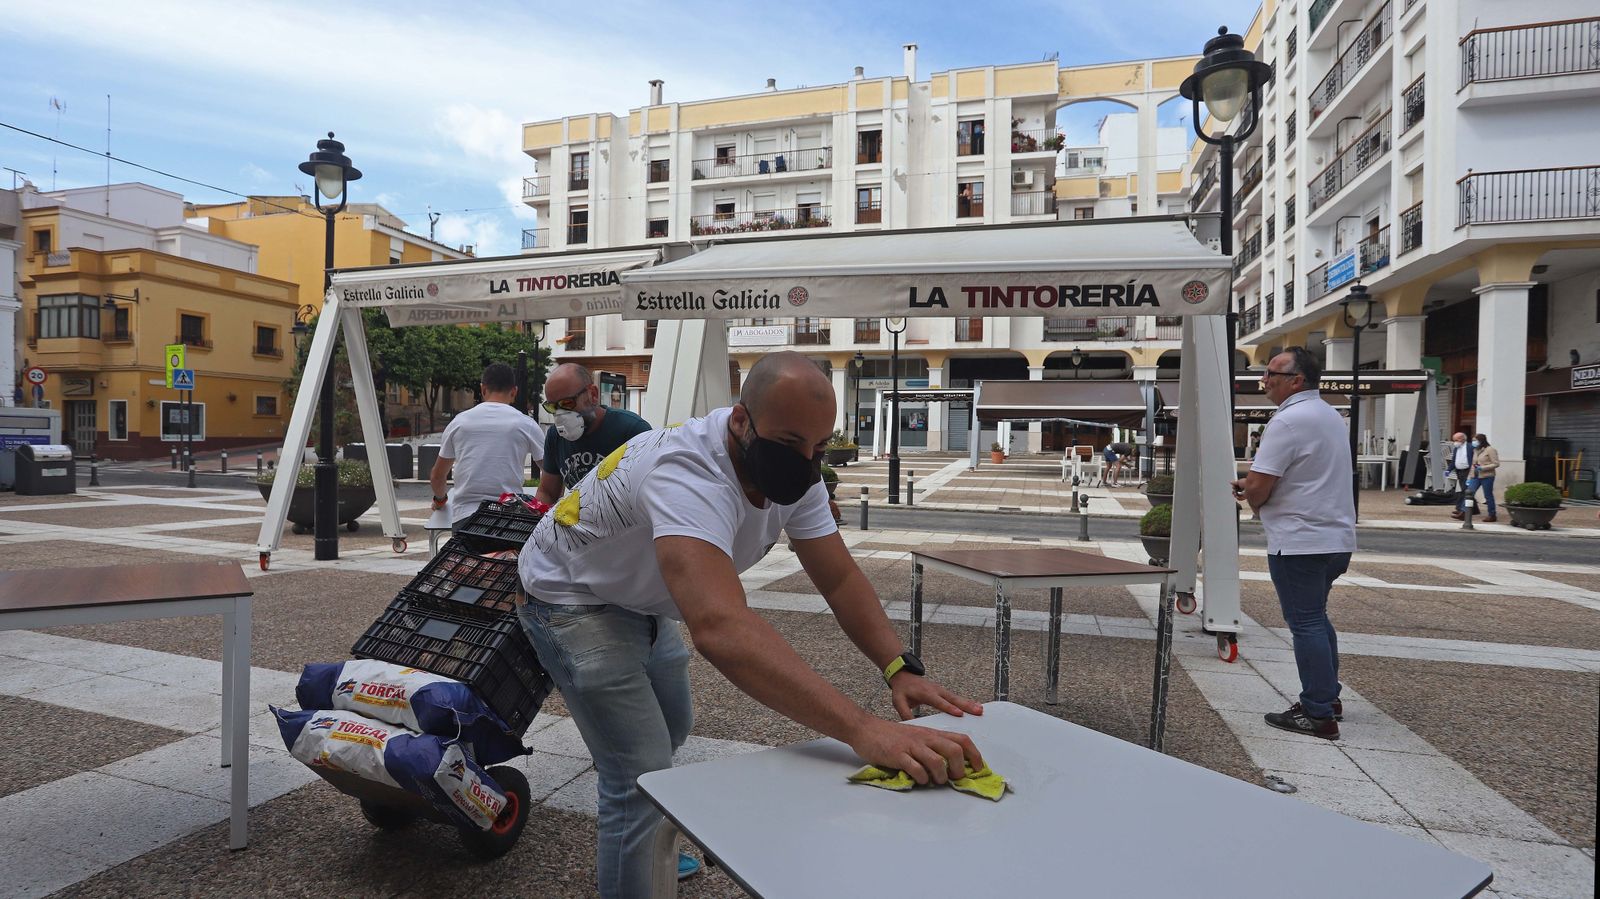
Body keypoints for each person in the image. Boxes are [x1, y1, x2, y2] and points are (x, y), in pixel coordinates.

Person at [516, 352, 985, 897]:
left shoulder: (795, 467)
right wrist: (862, 729)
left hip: (643, 598)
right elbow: (720, 629)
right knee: (641, 775)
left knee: (670, 728)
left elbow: (838, 578)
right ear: (741, 420)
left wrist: (898, 665)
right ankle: (634, 831)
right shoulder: (688, 472)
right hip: (567, 595)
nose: (807, 462)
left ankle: (636, 833)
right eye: (790, 444)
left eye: (819, 447)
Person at [1229, 347, 1356, 740]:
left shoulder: (1287, 421)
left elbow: (1261, 486)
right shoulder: (1328, 414)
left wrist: (1249, 492)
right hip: (1335, 536)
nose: (1263, 380)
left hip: (1300, 540)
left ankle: (1318, 713)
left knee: (1305, 623)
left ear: (1296, 380)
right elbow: (1305, 474)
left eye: (1270, 374)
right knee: (1317, 617)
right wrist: (1254, 486)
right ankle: (1328, 697)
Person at [427, 363, 544, 526]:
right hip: (509, 518)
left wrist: (440, 500)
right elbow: (551, 471)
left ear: (483, 389)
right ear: (514, 392)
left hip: (466, 518)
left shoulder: (459, 422)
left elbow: (437, 476)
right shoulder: (526, 424)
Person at [533, 363, 652, 505]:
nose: (560, 414)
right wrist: (536, 515)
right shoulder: (555, 436)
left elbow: (652, 493)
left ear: (593, 395)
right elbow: (547, 492)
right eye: (552, 407)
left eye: (567, 403)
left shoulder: (632, 430)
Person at [1466, 433, 1500, 522]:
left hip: (1487, 476)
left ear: (1481, 441)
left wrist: (1483, 467)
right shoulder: (1476, 450)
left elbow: (1496, 463)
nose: (1473, 442)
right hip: (1475, 476)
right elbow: (1473, 465)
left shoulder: (1490, 450)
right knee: (1469, 493)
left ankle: (1492, 515)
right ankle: (1464, 512)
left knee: (1488, 495)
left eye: (1475, 440)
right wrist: (1469, 477)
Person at [1450, 431, 1475, 520]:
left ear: (1462, 439)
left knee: (1466, 491)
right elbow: (1454, 460)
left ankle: (1463, 511)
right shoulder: (1456, 448)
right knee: (1464, 490)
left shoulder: (1470, 447)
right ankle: (1468, 509)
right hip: (1459, 472)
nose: (1455, 442)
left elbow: (1474, 459)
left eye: (1456, 440)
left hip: (1467, 471)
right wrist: (1448, 470)